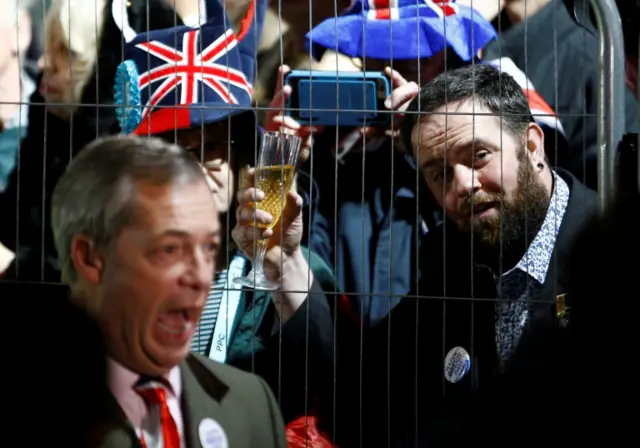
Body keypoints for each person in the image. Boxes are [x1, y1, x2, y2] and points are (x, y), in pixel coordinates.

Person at [112, 2, 346, 444]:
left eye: (215, 146)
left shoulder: (284, 259)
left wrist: (282, 265)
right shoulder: (125, 269)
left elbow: (325, 371)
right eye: (180, 151)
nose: (202, 166)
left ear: (240, 153)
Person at [347, 64, 598, 447]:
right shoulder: (443, 264)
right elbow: (363, 393)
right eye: (440, 173)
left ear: (532, 145)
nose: (463, 185)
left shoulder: (612, 254)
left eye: (478, 155)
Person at [50, 134, 287, 447]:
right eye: (170, 249)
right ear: (91, 258)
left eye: (209, 248)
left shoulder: (252, 405)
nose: (201, 277)